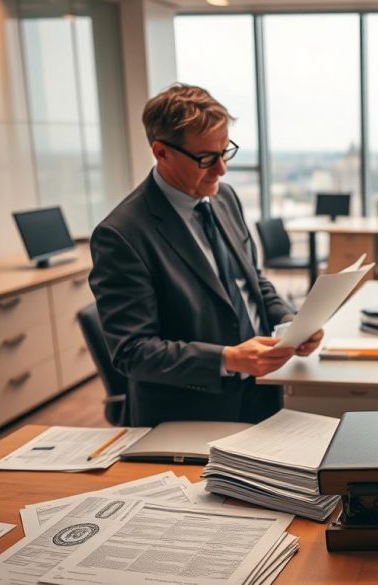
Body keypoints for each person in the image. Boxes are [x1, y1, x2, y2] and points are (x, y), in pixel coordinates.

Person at [89, 84, 322, 426]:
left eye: (224, 151)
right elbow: (133, 352)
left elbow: (251, 281)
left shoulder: (225, 199)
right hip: (189, 413)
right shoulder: (122, 235)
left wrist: (290, 323)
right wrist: (227, 359)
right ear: (161, 152)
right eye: (205, 158)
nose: (221, 170)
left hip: (264, 393)